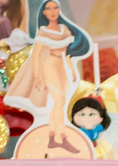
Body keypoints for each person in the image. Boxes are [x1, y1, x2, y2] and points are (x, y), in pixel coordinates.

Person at [5, 0, 92, 154]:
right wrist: (38, 77)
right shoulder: (43, 31)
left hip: (62, 66)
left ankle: (52, 138)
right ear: (44, 12)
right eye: (48, 8)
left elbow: (69, 53)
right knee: (59, 102)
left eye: (55, 8)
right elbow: (36, 54)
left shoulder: (65, 29)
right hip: (49, 65)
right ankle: (63, 138)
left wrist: (72, 70)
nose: (53, 11)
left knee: (58, 104)